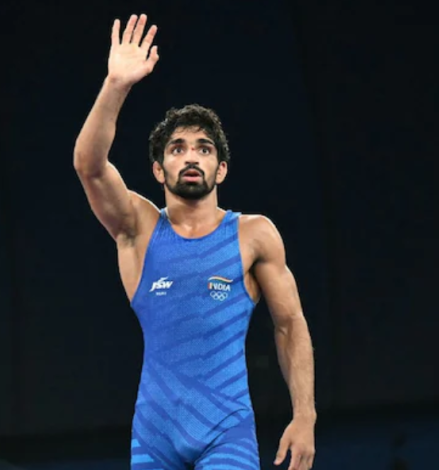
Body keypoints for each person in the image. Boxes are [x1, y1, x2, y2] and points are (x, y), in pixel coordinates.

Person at [73, 13, 316, 470]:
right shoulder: (138, 227)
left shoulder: (253, 234)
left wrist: (305, 415)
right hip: (154, 435)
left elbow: (290, 324)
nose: (191, 157)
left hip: (226, 432)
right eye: (177, 148)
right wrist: (116, 85)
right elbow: (89, 165)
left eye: (204, 149)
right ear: (158, 169)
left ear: (220, 169)